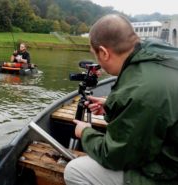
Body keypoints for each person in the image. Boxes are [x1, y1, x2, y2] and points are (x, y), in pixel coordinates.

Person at [64, 14, 178, 185]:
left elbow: (115, 157)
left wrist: (85, 132)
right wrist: (110, 105)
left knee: (74, 170)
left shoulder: (140, 90)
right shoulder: (159, 53)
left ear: (104, 52)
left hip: (169, 175)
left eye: (96, 55)